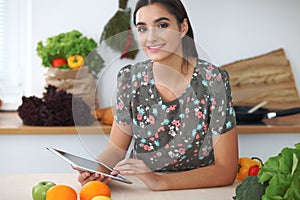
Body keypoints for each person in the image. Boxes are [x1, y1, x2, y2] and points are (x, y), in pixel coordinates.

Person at [77, 0, 238, 191]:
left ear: (183, 27)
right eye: (142, 28)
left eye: (162, 25)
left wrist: (160, 182)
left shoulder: (213, 80)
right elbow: (115, 150)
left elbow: (226, 170)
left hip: (201, 189)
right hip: (141, 189)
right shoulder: (130, 79)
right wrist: (96, 170)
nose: (151, 37)